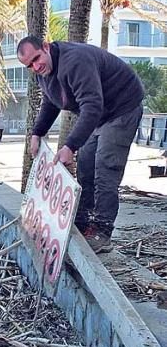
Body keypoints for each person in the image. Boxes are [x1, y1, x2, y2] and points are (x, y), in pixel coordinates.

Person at [17, 35, 144, 253]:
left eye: (37, 59)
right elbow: (50, 101)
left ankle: (102, 232)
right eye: (29, 65)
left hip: (122, 107)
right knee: (85, 166)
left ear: (46, 47)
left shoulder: (75, 61)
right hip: (100, 115)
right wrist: (37, 133)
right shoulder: (43, 73)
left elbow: (92, 105)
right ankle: (83, 222)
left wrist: (70, 145)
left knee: (105, 167)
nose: (36, 66)